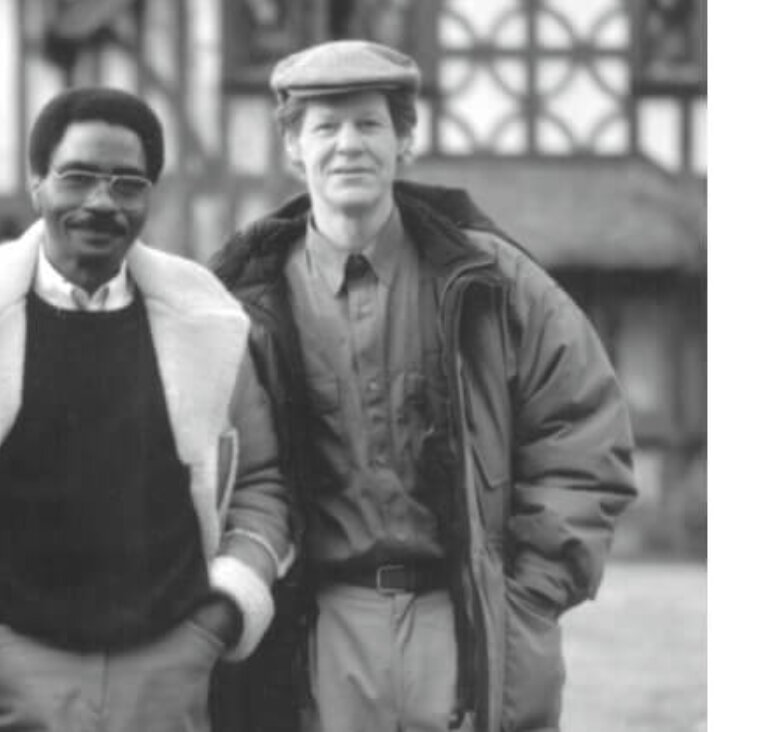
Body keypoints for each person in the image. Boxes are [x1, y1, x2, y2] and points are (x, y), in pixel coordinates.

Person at [210, 40, 637, 732]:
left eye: (370, 124)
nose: (349, 145)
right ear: (293, 146)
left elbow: (584, 430)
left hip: (464, 613)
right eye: (325, 127)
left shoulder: (491, 279)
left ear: (405, 138)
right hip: (322, 630)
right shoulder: (244, 303)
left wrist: (524, 597)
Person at [0, 87, 294, 732]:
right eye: (78, 177)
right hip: (7, 672)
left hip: (167, 675)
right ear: (37, 184)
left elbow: (261, 480)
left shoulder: (209, 326)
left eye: (127, 183)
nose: (101, 202)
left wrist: (219, 615)